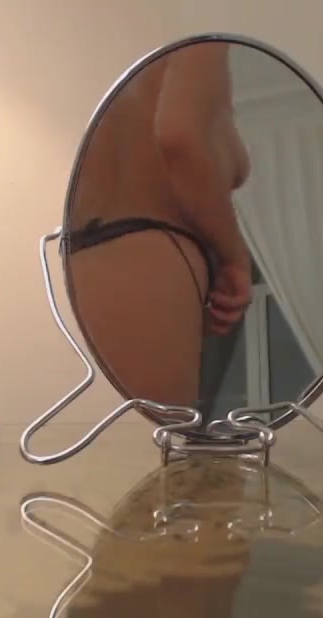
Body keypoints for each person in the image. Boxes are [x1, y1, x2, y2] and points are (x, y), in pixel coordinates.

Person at [65, 42, 253, 412]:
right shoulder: (200, 40)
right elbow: (180, 135)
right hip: (148, 257)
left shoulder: (116, 52)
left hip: (83, 256)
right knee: (157, 442)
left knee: (110, 441)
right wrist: (236, 256)